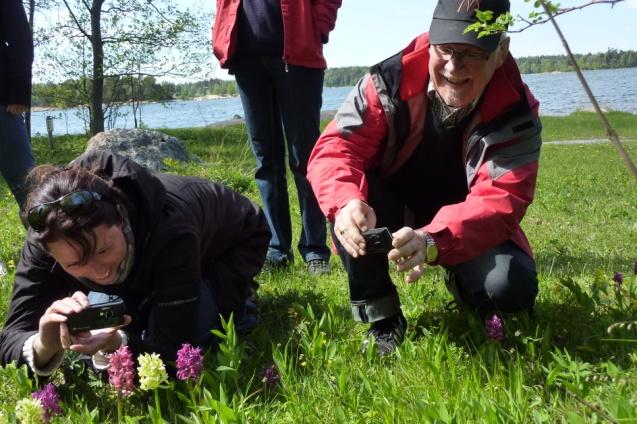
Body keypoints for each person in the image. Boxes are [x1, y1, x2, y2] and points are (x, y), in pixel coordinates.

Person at [307, 0, 542, 354]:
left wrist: (433, 240)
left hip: (468, 218)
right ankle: (382, 317)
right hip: (392, 206)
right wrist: (347, 202)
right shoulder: (387, 80)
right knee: (352, 212)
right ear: (431, 40)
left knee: (511, 287)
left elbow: (501, 200)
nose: (453, 66)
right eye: (445, 49)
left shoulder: (517, 111)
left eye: (471, 53)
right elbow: (335, 149)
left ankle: (466, 285)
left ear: (501, 50)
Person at [0, 150, 270, 375]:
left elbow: (171, 354)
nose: (99, 271)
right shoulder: (44, 240)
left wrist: (115, 344)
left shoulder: (172, 230)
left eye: (104, 250)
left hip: (232, 245)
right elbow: (10, 339)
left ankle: (239, 305)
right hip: (155, 259)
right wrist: (43, 345)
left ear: (121, 215)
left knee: (193, 341)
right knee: (124, 315)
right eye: (74, 264)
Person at [211, 0, 342, 275]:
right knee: (265, 161)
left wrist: (318, 27)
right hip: (246, 58)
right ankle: (277, 249)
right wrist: (222, 34)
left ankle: (315, 249)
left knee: (305, 160)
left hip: (298, 56)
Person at [0, 0, 36, 211]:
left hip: (2, 105)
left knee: (27, 185)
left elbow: (20, 38)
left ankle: (50, 242)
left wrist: (19, 94)